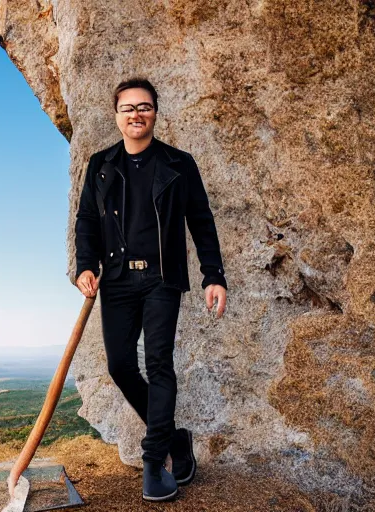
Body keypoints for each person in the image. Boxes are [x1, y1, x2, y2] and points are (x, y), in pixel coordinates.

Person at [74, 77, 227, 501]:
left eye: (144, 107)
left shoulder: (179, 164)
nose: (136, 114)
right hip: (118, 279)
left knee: (159, 363)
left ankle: (154, 459)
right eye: (128, 108)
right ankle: (175, 439)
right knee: (120, 366)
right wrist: (85, 265)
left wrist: (213, 275)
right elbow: (87, 220)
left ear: (155, 113)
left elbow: (202, 221)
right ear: (116, 116)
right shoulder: (100, 165)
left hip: (163, 277)